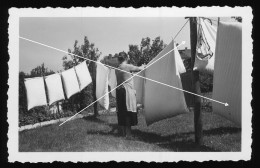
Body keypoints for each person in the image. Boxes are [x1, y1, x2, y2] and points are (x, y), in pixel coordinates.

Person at [115, 52, 145, 139]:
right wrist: (143, 66)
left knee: (122, 112)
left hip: (119, 91)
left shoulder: (117, 68)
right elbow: (139, 69)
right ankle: (129, 135)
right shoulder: (127, 66)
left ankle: (124, 133)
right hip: (126, 91)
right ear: (126, 58)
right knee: (127, 112)